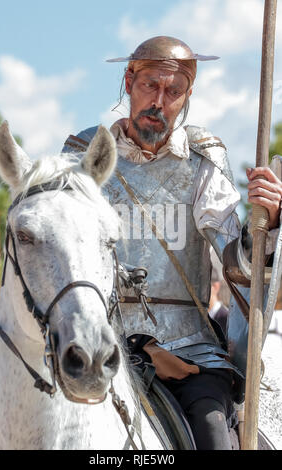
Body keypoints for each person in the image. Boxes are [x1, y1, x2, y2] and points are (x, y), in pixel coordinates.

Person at [62, 36, 282, 450]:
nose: (159, 101)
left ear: (187, 95)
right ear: (129, 81)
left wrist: (265, 227)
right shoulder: (83, 157)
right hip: (98, 344)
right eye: (150, 86)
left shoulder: (202, 163)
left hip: (190, 353)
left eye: (174, 91)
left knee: (214, 434)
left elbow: (237, 269)